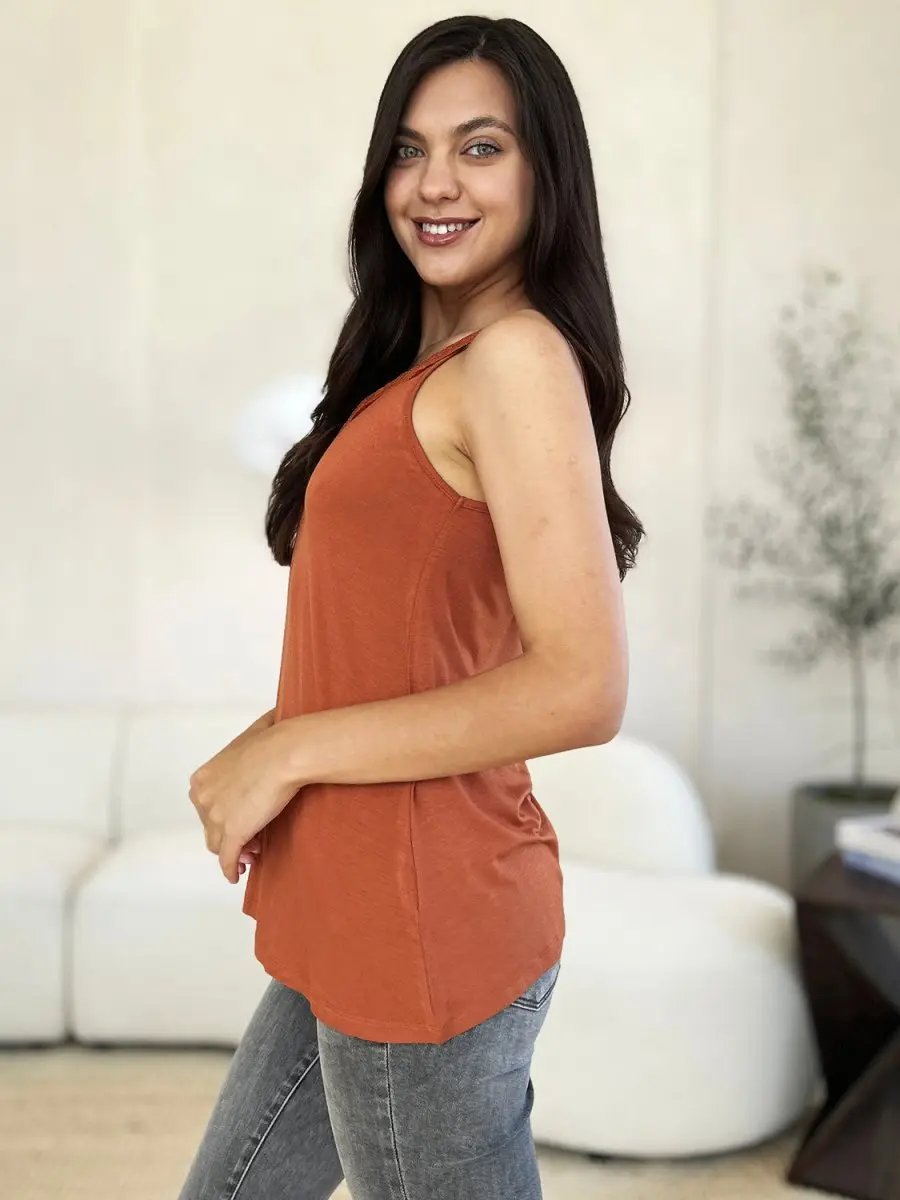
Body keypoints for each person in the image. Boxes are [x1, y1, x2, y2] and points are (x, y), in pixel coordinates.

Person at [180, 13, 642, 1199]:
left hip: (421, 923)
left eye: (481, 147)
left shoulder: (515, 361)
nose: (435, 182)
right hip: (358, 902)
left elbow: (583, 685)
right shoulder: (422, 366)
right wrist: (272, 736)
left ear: (545, 172)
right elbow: (398, 646)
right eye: (408, 148)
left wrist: (292, 750)